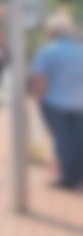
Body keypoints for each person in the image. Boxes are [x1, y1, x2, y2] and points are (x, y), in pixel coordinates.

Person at [30, 11, 83, 189]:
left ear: (53, 32)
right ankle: (77, 176)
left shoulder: (47, 51)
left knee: (63, 140)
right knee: (78, 140)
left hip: (55, 103)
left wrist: (37, 99)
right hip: (80, 103)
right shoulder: (81, 50)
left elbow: (40, 80)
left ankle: (67, 179)